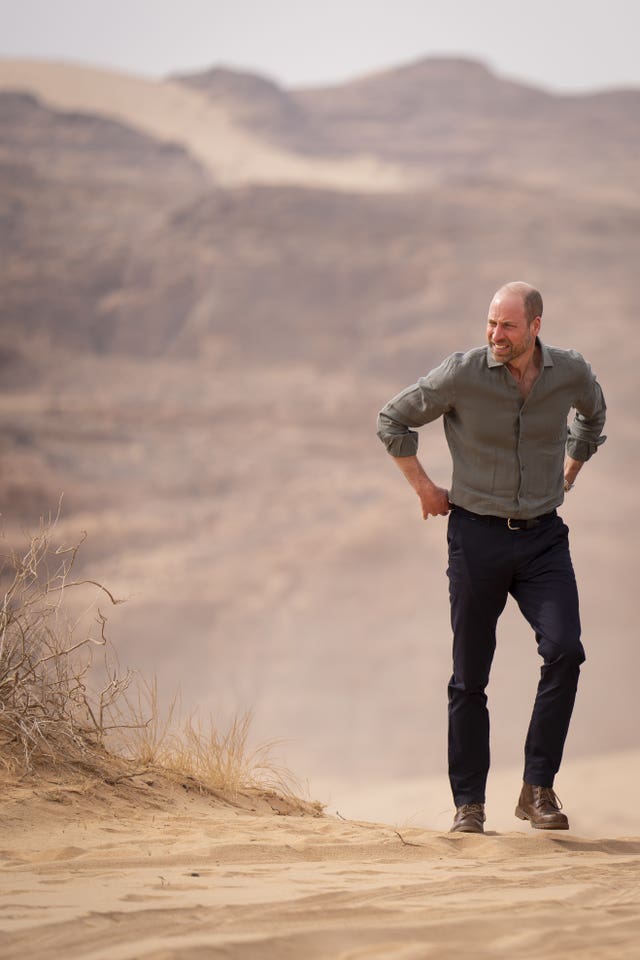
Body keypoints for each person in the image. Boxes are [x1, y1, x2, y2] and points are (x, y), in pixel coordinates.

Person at [376, 281, 606, 833]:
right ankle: (469, 806)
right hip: (476, 538)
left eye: (507, 326)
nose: (494, 335)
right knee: (469, 677)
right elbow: (392, 419)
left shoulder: (569, 372)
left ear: (535, 327)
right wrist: (425, 489)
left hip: (543, 539)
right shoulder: (462, 374)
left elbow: (592, 418)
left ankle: (537, 788)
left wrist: (571, 469)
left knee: (566, 651)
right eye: (490, 323)